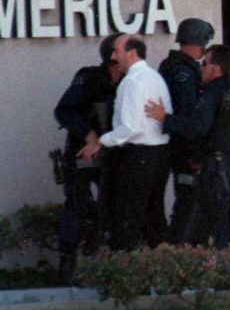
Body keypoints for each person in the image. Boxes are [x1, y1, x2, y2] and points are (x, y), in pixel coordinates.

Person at [145, 44, 230, 247]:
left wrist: (166, 119)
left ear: (216, 68)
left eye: (204, 64)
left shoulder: (212, 93)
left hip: (219, 168)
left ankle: (218, 272)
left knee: (216, 224)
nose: (201, 68)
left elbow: (197, 128)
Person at [87, 34, 172, 251]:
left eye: (117, 51)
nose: (114, 56)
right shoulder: (154, 77)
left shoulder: (132, 81)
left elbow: (131, 128)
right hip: (159, 154)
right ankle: (162, 269)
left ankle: (127, 271)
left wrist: (102, 141)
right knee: (154, 215)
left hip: (139, 155)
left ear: (131, 53)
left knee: (128, 216)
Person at [52, 33, 123, 283]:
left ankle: (108, 263)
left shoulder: (132, 79)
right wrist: (89, 135)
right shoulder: (90, 77)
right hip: (83, 153)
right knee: (77, 206)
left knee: (115, 207)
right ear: (114, 56)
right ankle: (68, 264)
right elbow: (64, 110)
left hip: (115, 156)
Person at [158, 18, 214, 242]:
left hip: (180, 147)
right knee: (190, 205)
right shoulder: (184, 73)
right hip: (185, 150)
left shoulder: (174, 67)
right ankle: (182, 252)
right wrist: (193, 153)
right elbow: (188, 115)